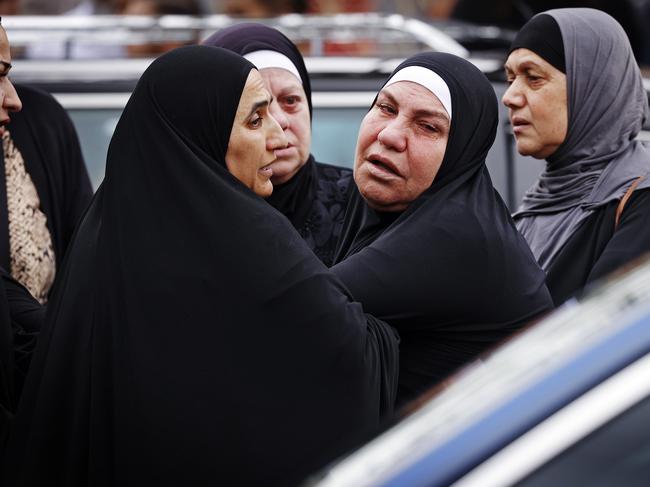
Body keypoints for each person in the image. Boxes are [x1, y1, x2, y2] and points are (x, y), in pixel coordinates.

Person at [3, 46, 399, 486]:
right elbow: (354, 357)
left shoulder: (109, 234)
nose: (278, 136)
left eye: (276, 112)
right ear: (201, 135)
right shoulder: (252, 243)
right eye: (255, 119)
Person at [332, 52, 553, 404]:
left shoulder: (457, 234)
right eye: (386, 108)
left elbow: (300, 308)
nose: (390, 136)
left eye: (427, 126)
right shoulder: (382, 201)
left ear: (460, 154)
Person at [503, 8, 650, 306]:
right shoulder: (539, 203)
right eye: (510, 78)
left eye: (532, 78)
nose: (510, 97)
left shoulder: (640, 202)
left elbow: (603, 331)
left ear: (595, 86)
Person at [203, 24, 353, 266]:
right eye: (256, 111)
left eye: (291, 101)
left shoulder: (360, 206)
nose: (280, 122)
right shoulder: (190, 214)